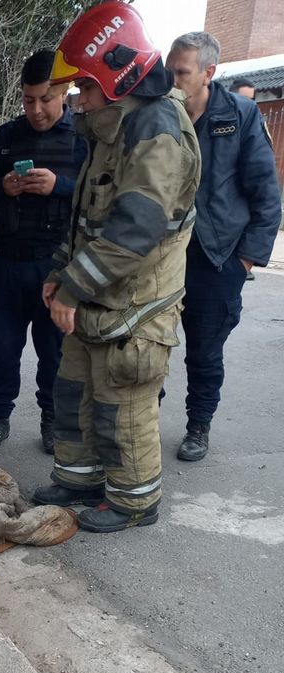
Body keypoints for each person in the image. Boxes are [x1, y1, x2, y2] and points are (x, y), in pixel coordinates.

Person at [31, 1, 201, 533]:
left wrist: (71, 289)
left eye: (83, 87)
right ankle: (79, 478)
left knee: (121, 405)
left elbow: (134, 231)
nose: (77, 101)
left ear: (117, 76)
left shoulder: (156, 131)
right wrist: (61, 273)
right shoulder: (115, 130)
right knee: (74, 391)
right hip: (99, 298)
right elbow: (87, 218)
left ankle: (132, 502)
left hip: (135, 305)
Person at [166, 34, 280, 461]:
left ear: (208, 73)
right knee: (148, 344)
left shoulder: (242, 114)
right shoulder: (161, 113)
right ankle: (141, 419)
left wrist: (245, 259)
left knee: (205, 351)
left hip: (217, 257)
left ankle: (199, 425)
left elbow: (266, 195)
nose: (171, 80)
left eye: (182, 72)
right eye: (169, 69)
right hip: (163, 254)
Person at [0, 50, 87, 454]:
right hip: (9, 265)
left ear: (64, 92)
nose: (36, 110)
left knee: (53, 354)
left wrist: (60, 185)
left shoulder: (82, 138)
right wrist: (2, 187)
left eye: (45, 99)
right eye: (28, 100)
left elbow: (100, 199)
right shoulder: (6, 137)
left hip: (56, 267)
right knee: (3, 350)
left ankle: (51, 421)